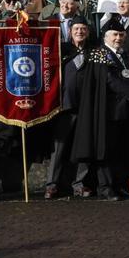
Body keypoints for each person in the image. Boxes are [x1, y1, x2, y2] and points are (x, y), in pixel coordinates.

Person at [72, 26, 129, 200]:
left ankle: (119, 184)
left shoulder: (126, 54)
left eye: (121, 35)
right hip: (106, 111)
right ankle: (106, 187)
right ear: (105, 37)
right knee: (106, 149)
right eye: (115, 35)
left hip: (126, 110)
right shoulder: (98, 55)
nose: (118, 38)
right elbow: (108, 79)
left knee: (121, 148)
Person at [44, 17, 92, 198]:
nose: (80, 32)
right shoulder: (61, 49)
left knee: (84, 146)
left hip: (86, 106)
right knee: (59, 147)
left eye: (83, 29)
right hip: (65, 105)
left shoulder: (94, 52)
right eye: (76, 29)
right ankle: (52, 184)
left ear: (87, 32)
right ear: (70, 31)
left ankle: (79, 183)